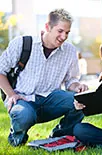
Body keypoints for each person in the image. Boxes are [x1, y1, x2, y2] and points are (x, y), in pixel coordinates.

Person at [0, 8, 88, 147]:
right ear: (47, 27)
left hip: (51, 100)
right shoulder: (22, 43)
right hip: (24, 100)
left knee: (83, 101)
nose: (64, 36)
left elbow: (71, 80)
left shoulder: (70, 51)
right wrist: (11, 94)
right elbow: (1, 71)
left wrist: (78, 87)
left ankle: (59, 137)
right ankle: (17, 137)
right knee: (23, 115)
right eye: (60, 31)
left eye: (67, 32)